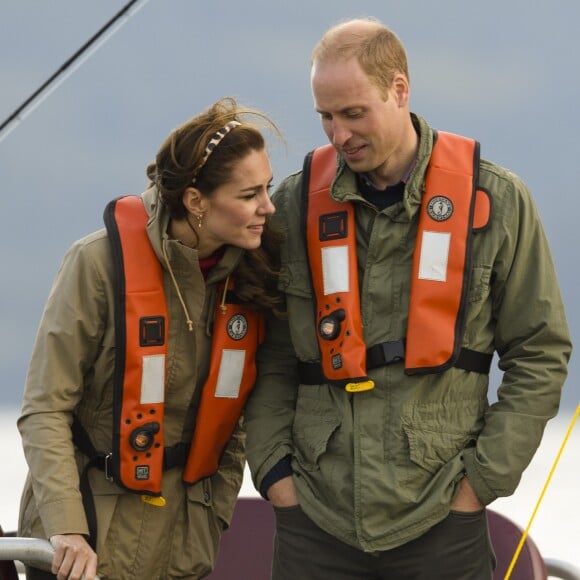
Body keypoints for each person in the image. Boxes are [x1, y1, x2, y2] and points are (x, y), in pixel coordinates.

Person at [244, 17, 572, 580]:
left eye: (353, 114)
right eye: (325, 116)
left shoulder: (496, 200)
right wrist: (275, 477)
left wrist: (481, 483)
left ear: (399, 90)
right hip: (314, 523)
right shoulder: (294, 206)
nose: (338, 135)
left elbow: (539, 353)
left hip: (443, 520)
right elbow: (268, 355)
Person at [18, 96, 284, 580]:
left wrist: (212, 518)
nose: (268, 207)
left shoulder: (249, 279)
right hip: (85, 547)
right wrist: (66, 530)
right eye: (249, 195)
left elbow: (234, 425)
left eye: (267, 188)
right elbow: (43, 409)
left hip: (182, 544)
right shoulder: (96, 264)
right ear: (196, 202)